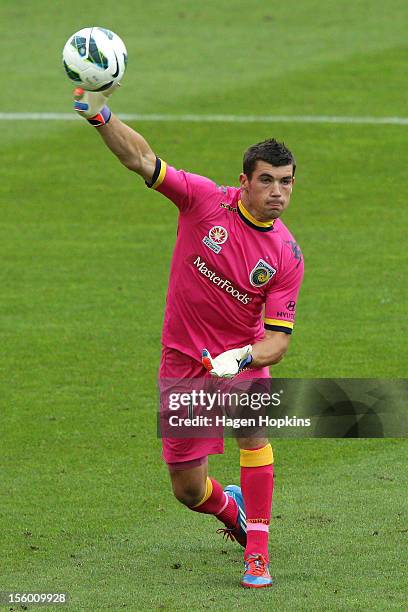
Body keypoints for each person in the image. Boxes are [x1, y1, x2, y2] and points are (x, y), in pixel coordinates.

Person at [73, 84, 304, 588]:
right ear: (244, 181)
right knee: (187, 488)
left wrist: (242, 358)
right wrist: (99, 115)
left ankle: (258, 554)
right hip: (183, 363)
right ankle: (231, 514)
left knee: (254, 434)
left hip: (240, 363)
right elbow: (142, 159)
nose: (278, 192)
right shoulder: (202, 201)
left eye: (286, 182)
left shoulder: (287, 255)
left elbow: (278, 342)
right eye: (267, 181)